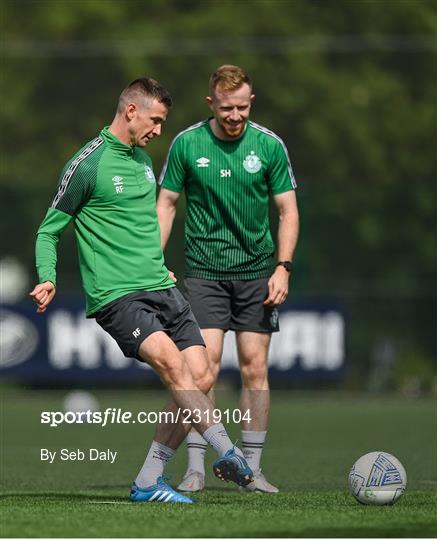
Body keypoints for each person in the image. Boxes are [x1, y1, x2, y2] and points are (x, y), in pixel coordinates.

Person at [30, 77, 253, 504]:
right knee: (173, 364)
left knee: (202, 375)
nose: (158, 131)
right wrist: (47, 276)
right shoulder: (88, 164)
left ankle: (148, 480)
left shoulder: (144, 161)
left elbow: (143, 226)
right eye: (156, 120)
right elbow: (48, 231)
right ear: (131, 111)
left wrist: (159, 265)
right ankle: (229, 452)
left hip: (161, 285)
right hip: (118, 296)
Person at [157, 65, 299, 493]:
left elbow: (288, 211)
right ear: (211, 103)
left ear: (250, 102)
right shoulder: (187, 143)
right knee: (204, 372)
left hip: (258, 274)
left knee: (255, 369)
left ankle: (250, 471)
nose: (234, 115)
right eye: (225, 108)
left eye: (241, 107)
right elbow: (166, 203)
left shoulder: (269, 145)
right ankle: (196, 468)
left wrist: (283, 267)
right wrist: (154, 259)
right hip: (203, 273)